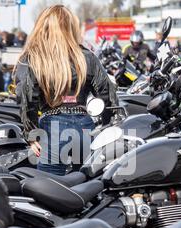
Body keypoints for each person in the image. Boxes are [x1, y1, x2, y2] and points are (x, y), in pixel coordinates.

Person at [15, 5, 116, 176]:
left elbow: (26, 98)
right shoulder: (86, 56)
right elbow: (107, 94)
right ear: (71, 28)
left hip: (52, 128)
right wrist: (106, 126)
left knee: (49, 191)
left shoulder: (33, 58)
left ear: (43, 26)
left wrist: (31, 135)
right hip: (85, 127)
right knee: (88, 188)